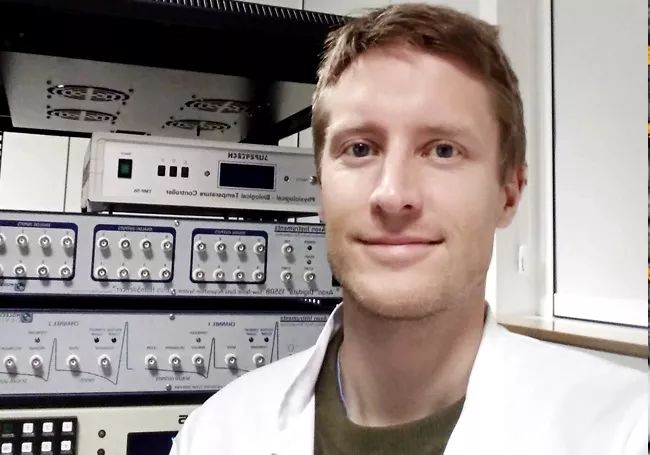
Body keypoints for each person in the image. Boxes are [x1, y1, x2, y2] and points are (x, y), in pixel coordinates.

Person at [170, 4, 647, 454]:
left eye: (443, 150)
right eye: (360, 149)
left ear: (509, 193)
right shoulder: (216, 433)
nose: (393, 194)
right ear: (320, 188)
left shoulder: (623, 430)